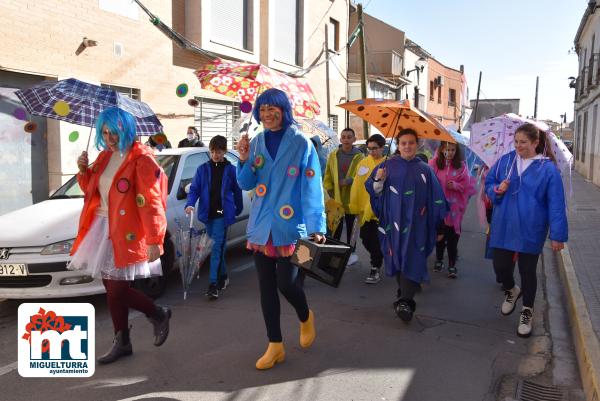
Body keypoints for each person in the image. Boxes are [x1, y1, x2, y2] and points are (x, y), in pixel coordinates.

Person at [70, 107, 171, 364]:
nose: (109, 137)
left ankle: (157, 313)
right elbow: (92, 191)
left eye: (113, 132)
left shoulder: (142, 159)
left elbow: (151, 202)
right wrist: (83, 171)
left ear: (125, 129)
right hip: (101, 227)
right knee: (110, 287)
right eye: (104, 132)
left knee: (116, 289)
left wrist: (154, 239)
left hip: (127, 231)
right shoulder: (104, 157)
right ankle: (122, 340)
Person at [236, 88, 326, 370]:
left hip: (293, 229)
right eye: (262, 110)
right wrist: (242, 157)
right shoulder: (257, 142)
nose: (266, 115)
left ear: (283, 110)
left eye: (272, 109)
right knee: (266, 288)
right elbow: (245, 183)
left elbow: (312, 186)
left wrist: (316, 226)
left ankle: (305, 315)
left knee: (287, 283)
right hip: (262, 228)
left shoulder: (301, 143)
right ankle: (275, 345)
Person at [485, 123, 568, 338]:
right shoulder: (506, 161)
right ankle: (512, 289)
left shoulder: (547, 169)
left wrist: (557, 235)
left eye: (523, 142)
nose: (518, 146)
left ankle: (527, 311)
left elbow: (556, 203)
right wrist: (497, 189)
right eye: (516, 142)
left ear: (535, 143)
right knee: (500, 266)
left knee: (528, 271)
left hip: (532, 228)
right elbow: (489, 182)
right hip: (504, 225)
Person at [365, 128, 448, 322]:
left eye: (411, 142)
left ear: (417, 144)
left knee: (412, 256)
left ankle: (406, 301)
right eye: (403, 143)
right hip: (392, 223)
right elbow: (372, 189)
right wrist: (379, 180)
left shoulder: (425, 169)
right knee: (396, 256)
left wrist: (440, 224)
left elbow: (436, 198)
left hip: (418, 224)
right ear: (398, 145)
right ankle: (405, 290)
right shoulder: (387, 166)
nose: (407, 146)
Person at [184, 135, 243, 300]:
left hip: (222, 215)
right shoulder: (202, 169)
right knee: (217, 247)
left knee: (215, 248)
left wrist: (238, 208)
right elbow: (194, 189)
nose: (215, 155)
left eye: (218, 151)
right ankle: (223, 275)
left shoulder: (231, 170)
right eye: (212, 151)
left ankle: (212, 284)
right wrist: (189, 204)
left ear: (224, 151)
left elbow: (237, 191)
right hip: (207, 213)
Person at [429, 141, 476, 278]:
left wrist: (456, 185)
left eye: (452, 150)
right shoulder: (433, 164)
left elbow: (467, 186)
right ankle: (438, 259)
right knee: (439, 237)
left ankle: (451, 265)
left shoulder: (461, 166)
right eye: (447, 149)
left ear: (456, 151)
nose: (449, 153)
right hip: (438, 209)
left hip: (454, 210)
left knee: (452, 238)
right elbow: (427, 181)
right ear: (441, 149)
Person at [349, 134, 386, 284]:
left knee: (376, 241)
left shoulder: (388, 164)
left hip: (380, 211)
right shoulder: (363, 163)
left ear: (382, 148)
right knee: (365, 239)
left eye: (375, 148)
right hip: (365, 210)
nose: (371, 151)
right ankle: (379, 256)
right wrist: (355, 205)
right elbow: (357, 185)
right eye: (369, 148)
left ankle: (375, 267)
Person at [323, 127, 364, 265]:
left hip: (352, 198)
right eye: (344, 137)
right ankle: (336, 253)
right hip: (336, 198)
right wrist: (329, 188)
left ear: (354, 139)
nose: (346, 139)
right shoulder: (333, 155)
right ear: (340, 139)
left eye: (349, 137)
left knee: (352, 228)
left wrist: (348, 181)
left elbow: (362, 175)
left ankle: (351, 253)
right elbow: (327, 174)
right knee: (336, 227)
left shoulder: (360, 156)